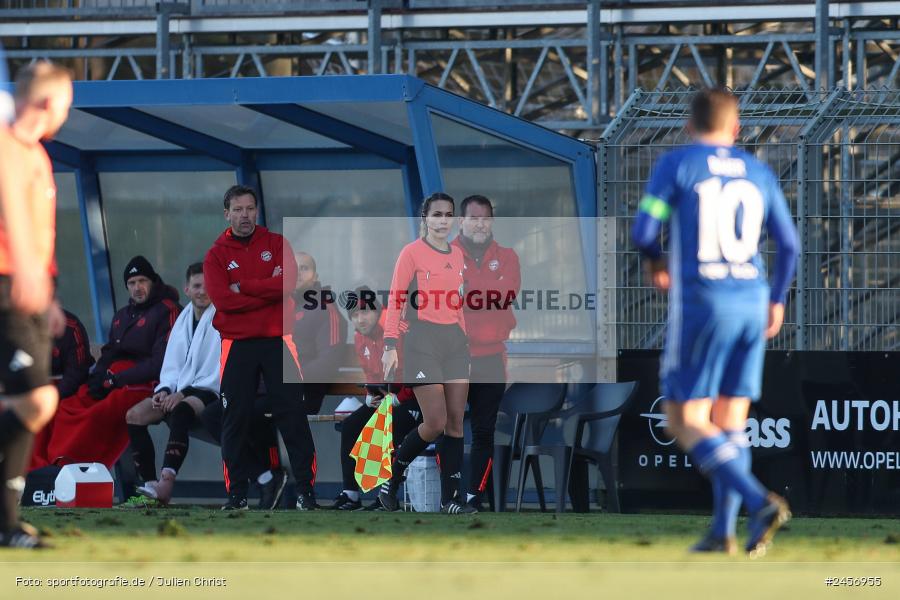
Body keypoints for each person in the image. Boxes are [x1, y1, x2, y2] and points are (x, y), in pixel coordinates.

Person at [631, 87, 799, 557]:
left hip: (704, 303)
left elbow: (645, 229)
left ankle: (756, 501)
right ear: (736, 128)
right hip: (752, 303)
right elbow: (789, 245)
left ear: (690, 126)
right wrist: (777, 299)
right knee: (729, 424)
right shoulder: (758, 171)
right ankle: (724, 533)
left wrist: (655, 261)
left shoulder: (678, 165)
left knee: (683, 418)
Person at [203, 184, 318, 511]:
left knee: (293, 416)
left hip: (278, 340)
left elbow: (288, 283)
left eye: (250, 209)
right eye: (238, 210)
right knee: (233, 419)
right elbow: (222, 299)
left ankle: (306, 493)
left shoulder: (277, 244)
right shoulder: (216, 254)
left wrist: (246, 288)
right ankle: (237, 494)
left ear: (257, 211)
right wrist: (266, 294)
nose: (245, 215)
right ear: (227, 214)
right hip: (237, 345)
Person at [0, 61, 72, 548]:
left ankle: (7, 526)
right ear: (48, 102)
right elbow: (12, 212)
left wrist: (50, 293)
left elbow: (40, 230)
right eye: (67, 103)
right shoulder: (7, 147)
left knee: (29, 402)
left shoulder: (37, 155)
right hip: (7, 285)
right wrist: (26, 270)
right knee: (36, 398)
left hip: (29, 289)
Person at [379, 192, 474, 514]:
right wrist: (390, 345)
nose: (443, 220)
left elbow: (457, 303)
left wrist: (464, 339)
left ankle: (452, 500)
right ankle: (392, 477)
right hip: (422, 342)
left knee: (456, 424)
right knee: (435, 422)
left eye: (448, 214)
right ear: (425, 218)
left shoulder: (458, 255)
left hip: (454, 343)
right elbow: (395, 300)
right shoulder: (411, 253)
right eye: (437, 214)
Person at [39, 256, 180, 472]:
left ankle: (82, 470)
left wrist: (116, 379)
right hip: (112, 378)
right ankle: (56, 465)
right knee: (71, 404)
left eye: (142, 281)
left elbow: (160, 362)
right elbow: (110, 353)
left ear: (153, 282)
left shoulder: (167, 310)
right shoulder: (122, 316)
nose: (137, 288)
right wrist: (98, 376)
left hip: (146, 383)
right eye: (132, 283)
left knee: (103, 410)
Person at [123, 263, 230, 506]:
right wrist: (164, 390)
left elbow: (215, 373)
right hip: (179, 390)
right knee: (134, 415)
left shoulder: (223, 315)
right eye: (197, 286)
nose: (203, 291)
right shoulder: (183, 319)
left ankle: (166, 482)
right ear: (187, 289)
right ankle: (150, 487)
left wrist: (182, 394)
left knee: (181, 411)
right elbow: (171, 366)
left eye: (208, 285)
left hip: (210, 391)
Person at [452, 194, 520, 510]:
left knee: (483, 431)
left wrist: (468, 289)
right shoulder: (443, 254)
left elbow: (505, 295)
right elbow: (440, 300)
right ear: (461, 221)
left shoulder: (507, 256)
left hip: (491, 357)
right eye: (474, 218)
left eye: (486, 218)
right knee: (447, 428)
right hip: (452, 354)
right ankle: (447, 495)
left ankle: (473, 496)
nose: (480, 224)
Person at [331, 286, 418, 511]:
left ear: (378, 311)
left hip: (416, 398)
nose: (360, 319)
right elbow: (372, 374)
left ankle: (387, 497)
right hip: (390, 398)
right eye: (355, 315)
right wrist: (370, 395)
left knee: (391, 424)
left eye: (365, 312)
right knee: (350, 425)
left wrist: (400, 397)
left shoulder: (397, 330)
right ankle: (351, 494)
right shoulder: (360, 337)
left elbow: (417, 370)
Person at [28, 309, 94, 471]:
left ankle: (51, 472)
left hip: (68, 389)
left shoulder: (70, 325)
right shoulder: (16, 323)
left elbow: (77, 371)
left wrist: (53, 397)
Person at [292, 251, 347, 415]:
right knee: (217, 415)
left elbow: (329, 360)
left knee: (245, 417)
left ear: (315, 276)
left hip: (304, 389)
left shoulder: (324, 307)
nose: (297, 273)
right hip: (272, 387)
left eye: (303, 268)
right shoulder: (280, 305)